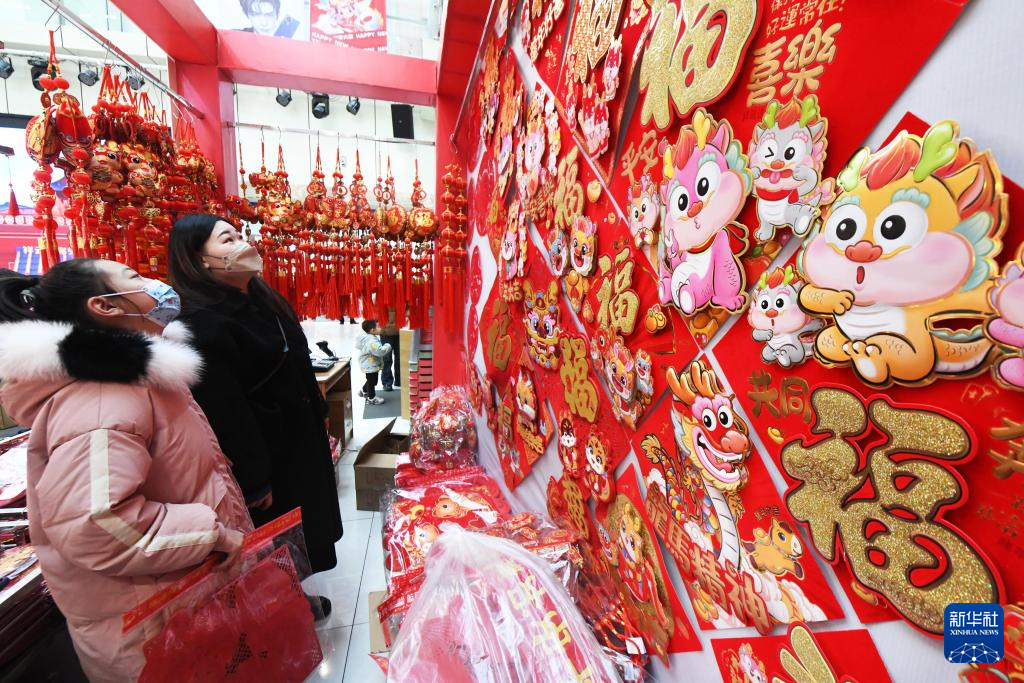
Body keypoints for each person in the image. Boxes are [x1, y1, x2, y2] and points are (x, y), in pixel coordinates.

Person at [0, 260, 252, 683]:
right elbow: (96, 523)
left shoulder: (136, 380)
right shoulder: (103, 396)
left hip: (180, 600)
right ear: (105, 305)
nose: (155, 284)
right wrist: (212, 533)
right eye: (134, 278)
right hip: (153, 624)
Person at [167, 215, 343, 586]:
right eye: (227, 240)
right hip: (264, 450)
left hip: (300, 434)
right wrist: (254, 478)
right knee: (275, 537)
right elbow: (223, 407)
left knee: (308, 525)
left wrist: (320, 410)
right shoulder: (200, 320)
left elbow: (298, 360)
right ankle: (284, 601)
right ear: (199, 259)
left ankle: (295, 594)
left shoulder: (263, 300)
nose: (242, 245)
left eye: (239, 235)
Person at [356, 318, 390, 405]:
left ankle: (363, 390)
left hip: (369, 363)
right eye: (379, 327)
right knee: (372, 381)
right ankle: (371, 398)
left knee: (371, 380)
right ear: (372, 330)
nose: (381, 328)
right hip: (369, 364)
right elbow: (380, 351)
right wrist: (387, 346)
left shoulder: (370, 338)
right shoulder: (371, 341)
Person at [379, 308, 401, 392]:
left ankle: (399, 380)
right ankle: (387, 382)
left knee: (400, 358)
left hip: (400, 330)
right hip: (385, 332)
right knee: (387, 359)